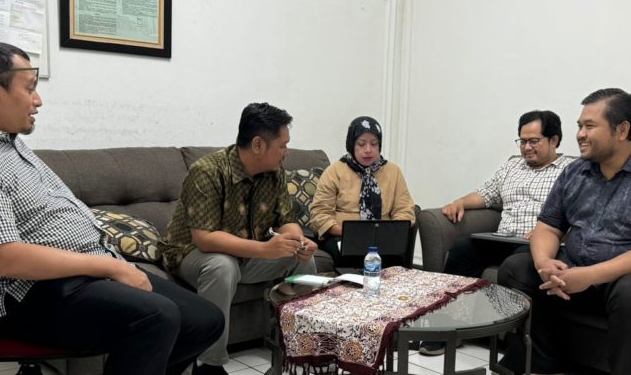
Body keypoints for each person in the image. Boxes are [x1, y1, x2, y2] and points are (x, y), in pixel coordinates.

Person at [0, 41, 224, 375]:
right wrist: (110, 267)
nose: (38, 100)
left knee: (205, 321)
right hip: (25, 293)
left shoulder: (7, 142)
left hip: (78, 273)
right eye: (29, 88)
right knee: (155, 317)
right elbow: (3, 258)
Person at [497, 88, 631, 375]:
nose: (580, 134)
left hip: (628, 278)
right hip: (575, 270)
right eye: (579, 126)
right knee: (515, 268)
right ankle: (539, 363)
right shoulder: (575, 172)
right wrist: (544, 263)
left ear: (622, 130)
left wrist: (589, 276)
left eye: (589, 126)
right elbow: (547, 228)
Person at [160, 102, 318, 375]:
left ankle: (296, 356)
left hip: (246, 255)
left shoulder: (275, 173)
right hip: (190, 253)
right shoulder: (208, 170)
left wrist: (297, 241)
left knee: (303, 260)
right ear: (258, 144)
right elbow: (205, 238)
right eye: (282, 145)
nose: (287, 152)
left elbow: (286, 220)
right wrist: (265, 249)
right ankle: (208, 365)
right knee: (222, 266)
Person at [419, 110, 573, 357]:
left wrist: (551, 234)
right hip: (502, 239)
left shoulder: (570, 171)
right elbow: (485, 194)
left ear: (554, 140)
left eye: (534, 141)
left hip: (535, 244)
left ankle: (515, 343)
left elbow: (577, 213)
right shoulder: (512, 165)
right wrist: (461, 202)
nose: (527, 148)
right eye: (522, 141)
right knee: (461, 250)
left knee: (517, 263)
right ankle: (449, 328)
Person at [309, 116, 416, 266]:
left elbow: (405, 209)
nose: (368, 150)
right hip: (342, 235)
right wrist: (349, 232)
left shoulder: (393, 172)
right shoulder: (335, 171)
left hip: (382, 238)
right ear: (351, 144)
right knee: (350, 259)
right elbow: (320, 214)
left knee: (394, 262)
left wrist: (389, 232)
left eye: (374, 144)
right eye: (361, 144)